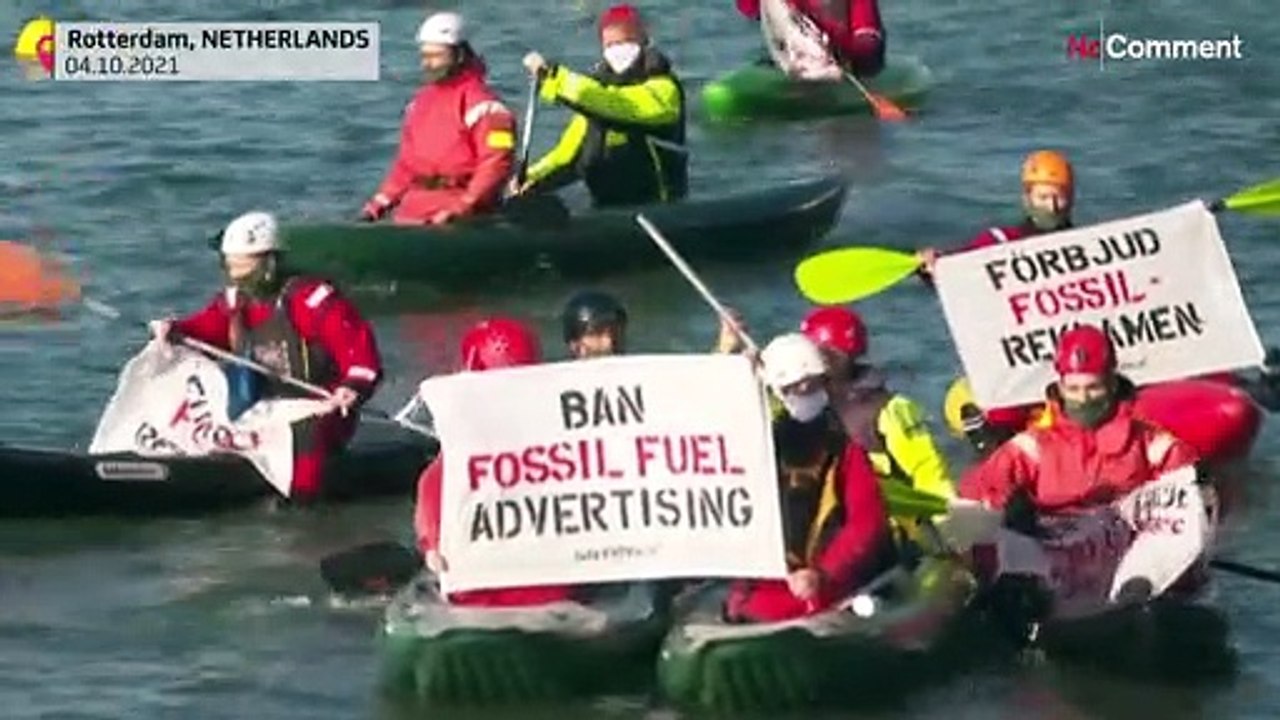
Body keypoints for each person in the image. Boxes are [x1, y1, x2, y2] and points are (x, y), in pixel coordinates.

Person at [148, 211, 382, 502]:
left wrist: (352, 388)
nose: (237, 275)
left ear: (269, 263)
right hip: (264, 407)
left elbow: (360, 355)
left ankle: (302, 508)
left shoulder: (312, 300)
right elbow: (206, 329)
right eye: (231, 266)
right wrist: (174, 329)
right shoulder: (235, 302)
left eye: (246, 266)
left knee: (304, 434)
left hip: (319, 408)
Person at [725, 332, 896, 622]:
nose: (806, 391)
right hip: (769, 581)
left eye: (813, 384)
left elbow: (866, 523)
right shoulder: (756, 449)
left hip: (825, 581)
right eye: (796, 387)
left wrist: (823, 573)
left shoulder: (844, 450)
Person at [413, 317, 581, 607]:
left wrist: (431, 543)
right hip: (539, 585)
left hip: (494, 589)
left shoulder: (462, 442)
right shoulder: (557, 429)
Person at [958, 324, 1199, 514]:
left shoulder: (1148, 443)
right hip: (1055, 550)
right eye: (1073, 389)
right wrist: (1005, 511)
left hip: (1131, 549)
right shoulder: (1033, 448)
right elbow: (975, 493)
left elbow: (1194, 489)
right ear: (1060, 387)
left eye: (1093, 388)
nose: (1083, 399)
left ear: (1112, 384)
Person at [514, 4, 688, 208]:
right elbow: (566, 158)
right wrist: (522, 180)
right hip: (608, 212)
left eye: (627, 41)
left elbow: (621, 105)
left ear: (644, 41)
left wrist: (554, 79)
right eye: (611, 45)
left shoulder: (664, 90)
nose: (619, 50)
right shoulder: (594, 104)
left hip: (660, 208)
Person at [361, 11, 516, 226]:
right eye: (425, 56)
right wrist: (377, 205)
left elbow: (496, 164)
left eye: (435, 56)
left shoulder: (486, 107)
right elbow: (405, 166)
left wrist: (463, 206)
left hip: (460, 215)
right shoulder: (418, 105)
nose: (427, 64)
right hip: (413, 211)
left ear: (460, 54)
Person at [799, 306, 955, 500]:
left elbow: (927, 470)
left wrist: (948, 517)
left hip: (886, 516)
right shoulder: (802, 408)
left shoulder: (889, 409)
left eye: (821, 356)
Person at [916, 149, 1075, 277]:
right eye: (1043, 198)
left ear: (1071, 198)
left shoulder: (1089, 245)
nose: (1052, 206)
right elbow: (961, 264)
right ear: (1027, 199)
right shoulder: (1000, 241)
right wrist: (934, 264)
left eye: (1059, 198)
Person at [736, 0, 886, 80]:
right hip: (798, 59)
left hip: (849, 64)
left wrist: (853, 53)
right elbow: (749, 9)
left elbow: (868, 31)